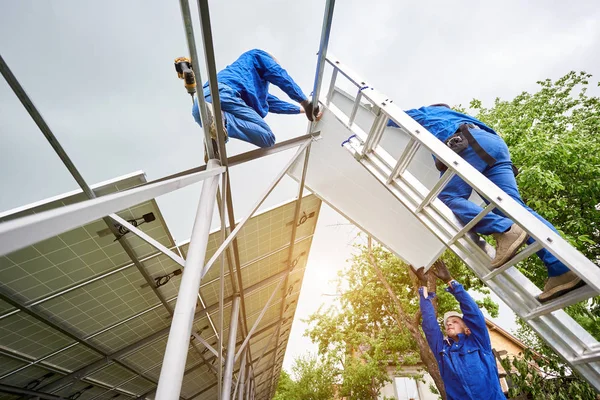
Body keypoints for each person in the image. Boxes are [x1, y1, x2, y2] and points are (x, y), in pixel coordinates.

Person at [387, 105, 585, 303]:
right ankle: (563, 267)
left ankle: (504, 230)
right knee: (514, 209)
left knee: (447, 198)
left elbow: (391, 115)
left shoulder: (428, 112)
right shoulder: (458, 115)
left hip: (466, 144)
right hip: (494, 145)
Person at [192, 49, 322, 154]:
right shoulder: (258, 56)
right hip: (225, 93)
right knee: (267, 137)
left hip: (204, 100)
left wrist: (303, 110)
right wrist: (304, 101)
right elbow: (279, 75)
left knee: (266, 139)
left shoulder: (256, 87)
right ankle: (223, 122)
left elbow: (274, 104)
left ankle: (213, 131)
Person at [414, 262, 505, 400]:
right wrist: (423, 286)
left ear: (467, 329)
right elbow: (430, 325)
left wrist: (449, 281)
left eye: (455, 321)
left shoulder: (479, 342)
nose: (449, 323)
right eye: (447, 323)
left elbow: (473, 313)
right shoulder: (443, 350)